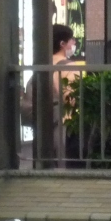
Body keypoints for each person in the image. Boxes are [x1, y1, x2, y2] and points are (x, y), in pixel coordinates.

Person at [21, 24, 79, 163]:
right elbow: (71, 99)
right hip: (63, 125)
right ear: (62, 44)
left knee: (44, 163)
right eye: (71, 40)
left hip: (41, 125)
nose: (74, 43)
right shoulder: (70, 67)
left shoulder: (40, 66)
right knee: (63, 163)